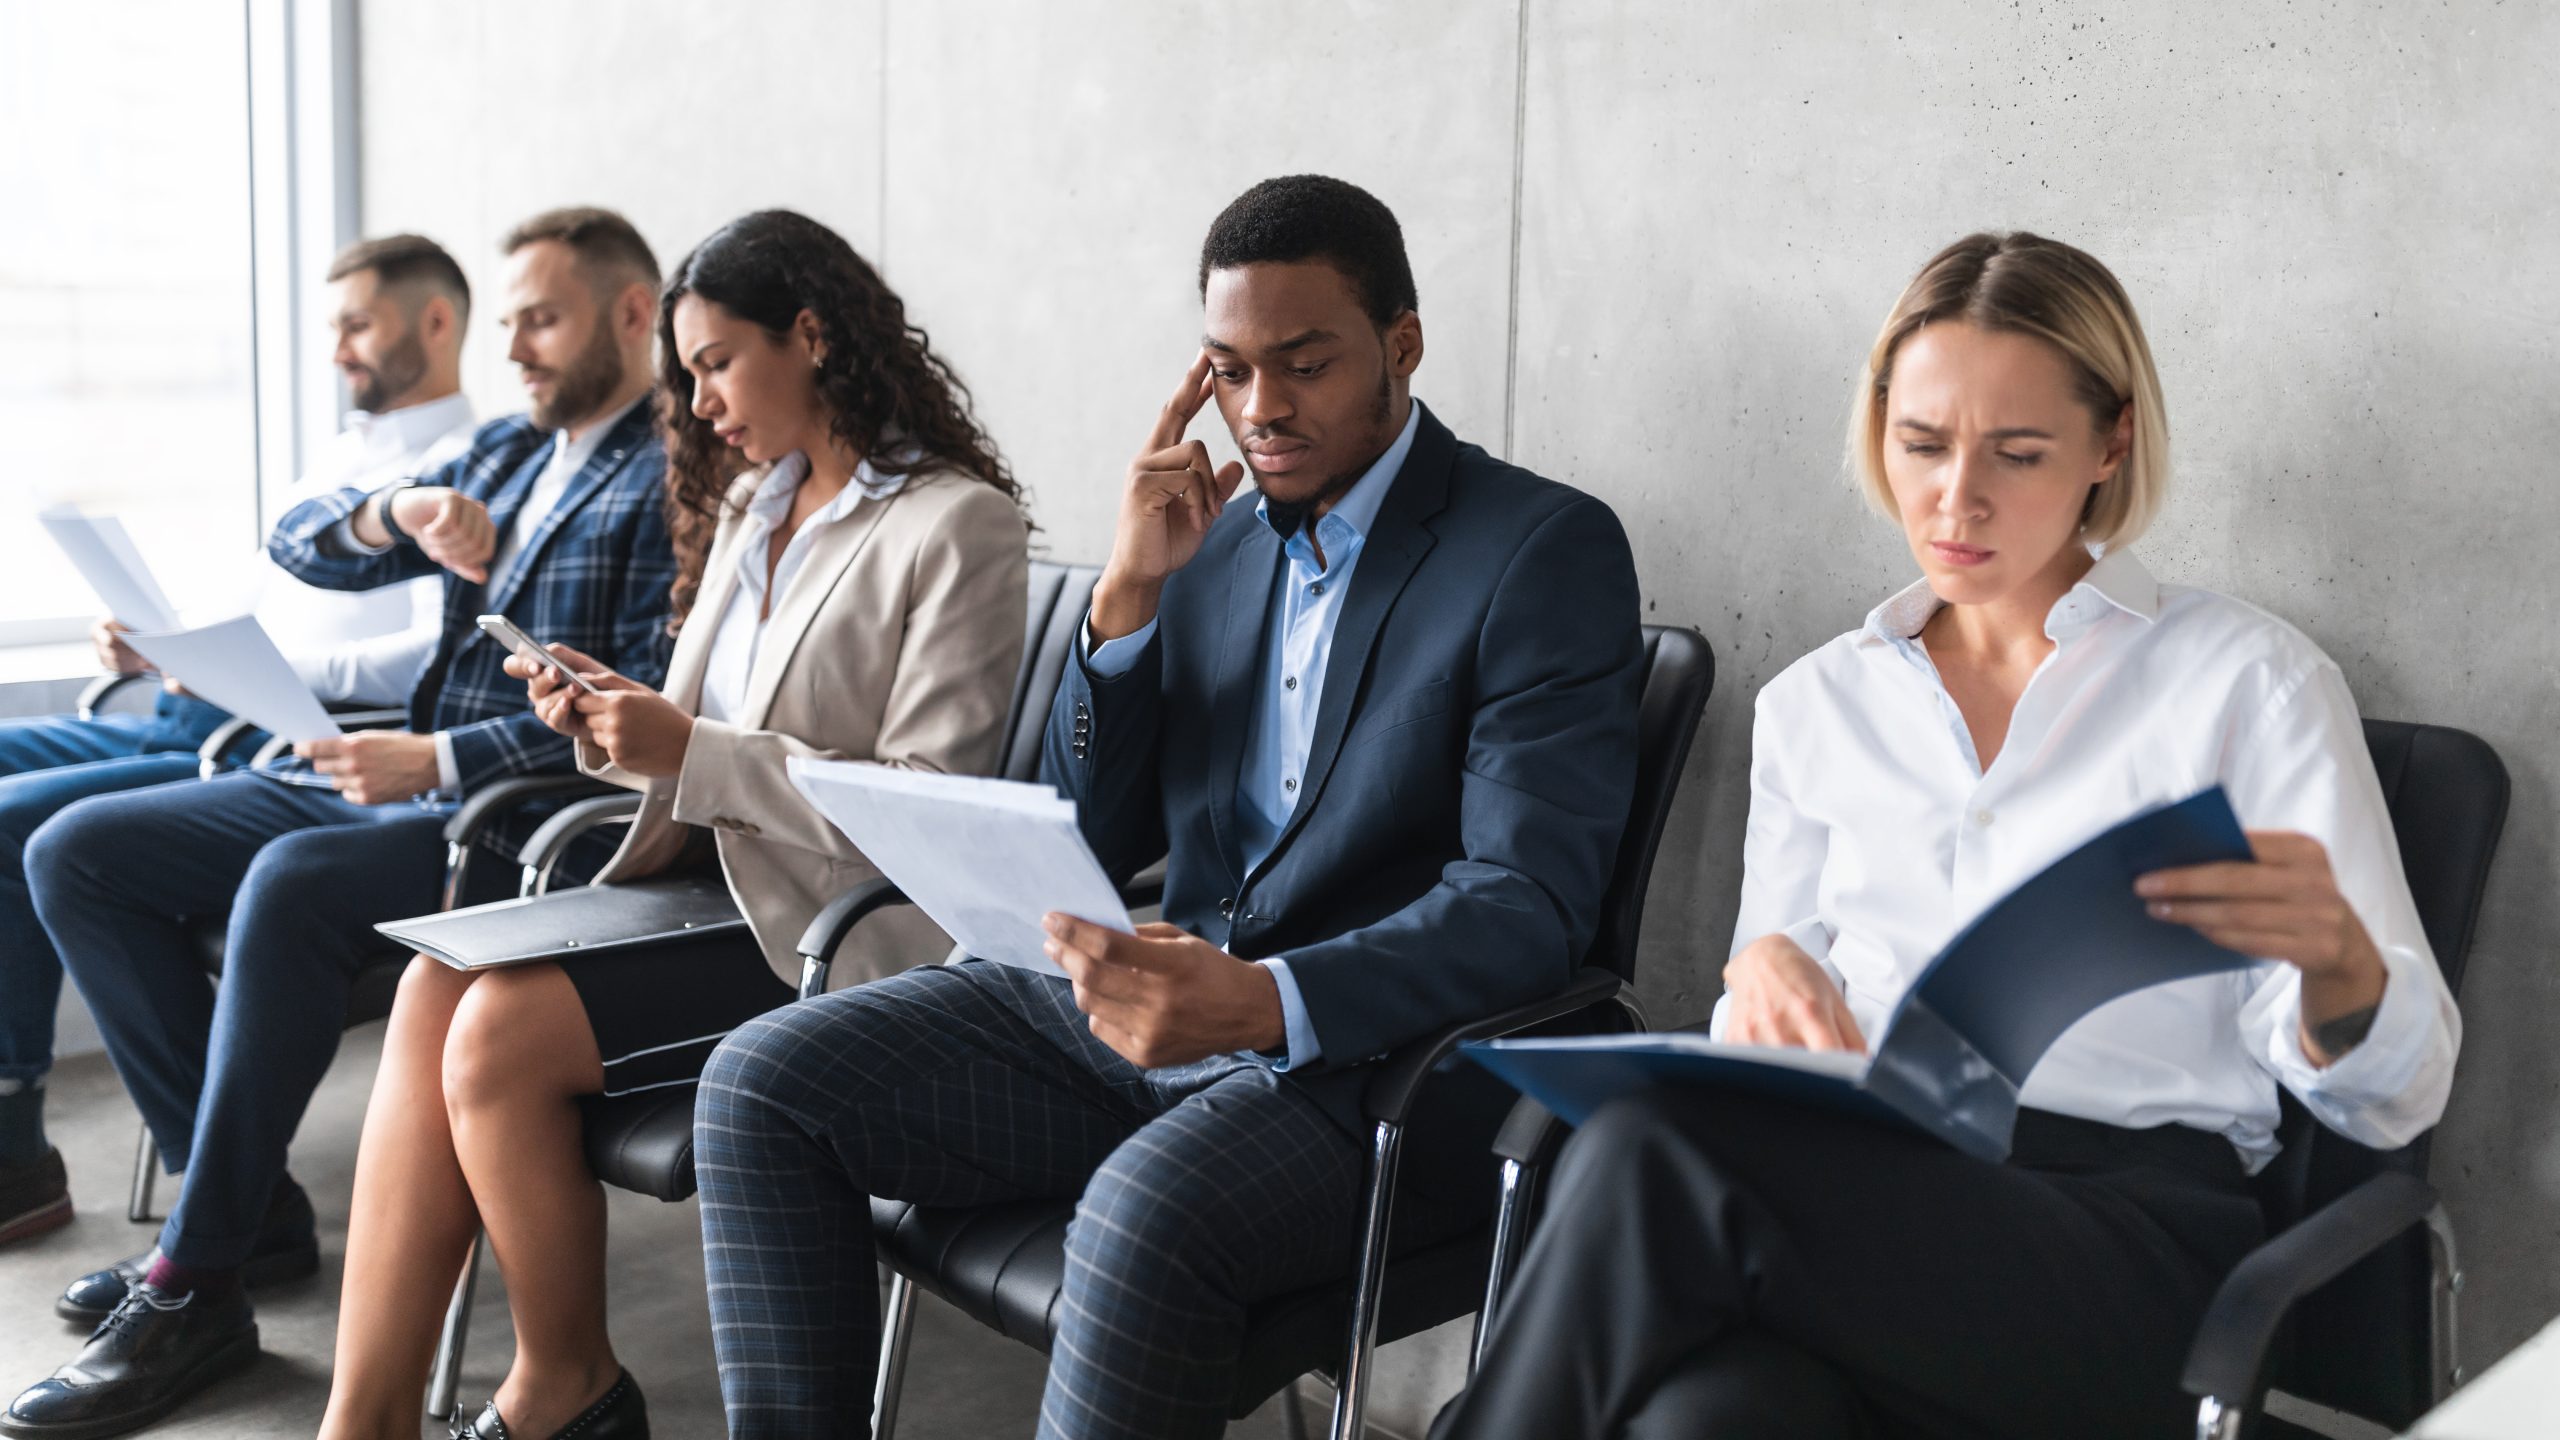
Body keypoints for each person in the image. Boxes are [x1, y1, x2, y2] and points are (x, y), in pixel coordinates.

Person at [1435, 232, 2460, 1440]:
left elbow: (2400, 1099)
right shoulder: (1817, 706)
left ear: (2109, 441)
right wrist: (1757, 983)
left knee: (1650, 1160)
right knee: (1707, 1420)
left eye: (2015, 454)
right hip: (1859, 1202)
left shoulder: (2248, 686)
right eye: (1920, 444)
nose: (1954, 497)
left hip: (2125, 1246)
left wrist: (2338, 974)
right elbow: (1766, 1057)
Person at [689, 174, 1647, 1440]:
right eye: (1230, 370)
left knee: (1142, 1212)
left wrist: (1267, 999)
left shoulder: (1538, 549)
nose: (1262, 411)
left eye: (1303, 365)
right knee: (760, 1081)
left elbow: (1528, 905)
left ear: (1400, 346)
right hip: (1147, 1018)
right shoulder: (1218, 539)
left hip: (1365, 1075)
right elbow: (1093, 831)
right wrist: (1127, 601)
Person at [314, 208, 1032, 1440]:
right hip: (697, 882)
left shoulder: (953, 523)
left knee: (489, 1034)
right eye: (687, 373)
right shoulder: (760, 504)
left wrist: (690, 750)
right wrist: (608, 719)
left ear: (810, 336)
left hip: (831, 933)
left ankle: (564, 1388)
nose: (698, 404)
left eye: (714, 363)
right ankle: (363, 1422)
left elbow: (929, 800)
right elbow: (689, 737)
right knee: (430, 989)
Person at [2, 206, 680, 1440]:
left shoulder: (672, 474)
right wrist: (401, 514)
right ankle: (244, 1208)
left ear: (634, 315)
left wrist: (441, 751)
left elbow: (651, 702)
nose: (515, 344)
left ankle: (196, 1281)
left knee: (288, 881)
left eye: (540, 316)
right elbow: (299, 542)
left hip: (506, 808)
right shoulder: (515, 455)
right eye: (511, 316)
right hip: (391, 779)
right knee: (73, 852)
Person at [0, 233, 474, 1254]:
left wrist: (267, 673)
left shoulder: (469, 467)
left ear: (435, 321)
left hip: (273, 733)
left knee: (30, 833)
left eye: (358, 322)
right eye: (333, 326)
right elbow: (267, 600)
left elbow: (436, 662)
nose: (338, 348)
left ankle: (40, 1145)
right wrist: (159, 636)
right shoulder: (339, 462)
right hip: (210, 704)